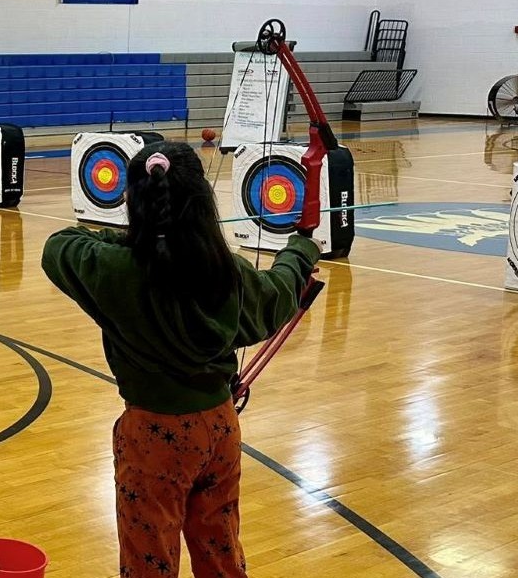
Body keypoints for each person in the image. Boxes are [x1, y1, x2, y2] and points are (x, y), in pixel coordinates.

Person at [40, 141, 322, 577]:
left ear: (134, 200)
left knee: (148, 555)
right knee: (220, 546)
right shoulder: (225, 271)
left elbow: (60, 245)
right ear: (203, 203)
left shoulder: (114, 270)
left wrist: (138, 238)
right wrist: (300, 251)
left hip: (154, 437)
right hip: (220, 427)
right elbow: (279, 293)